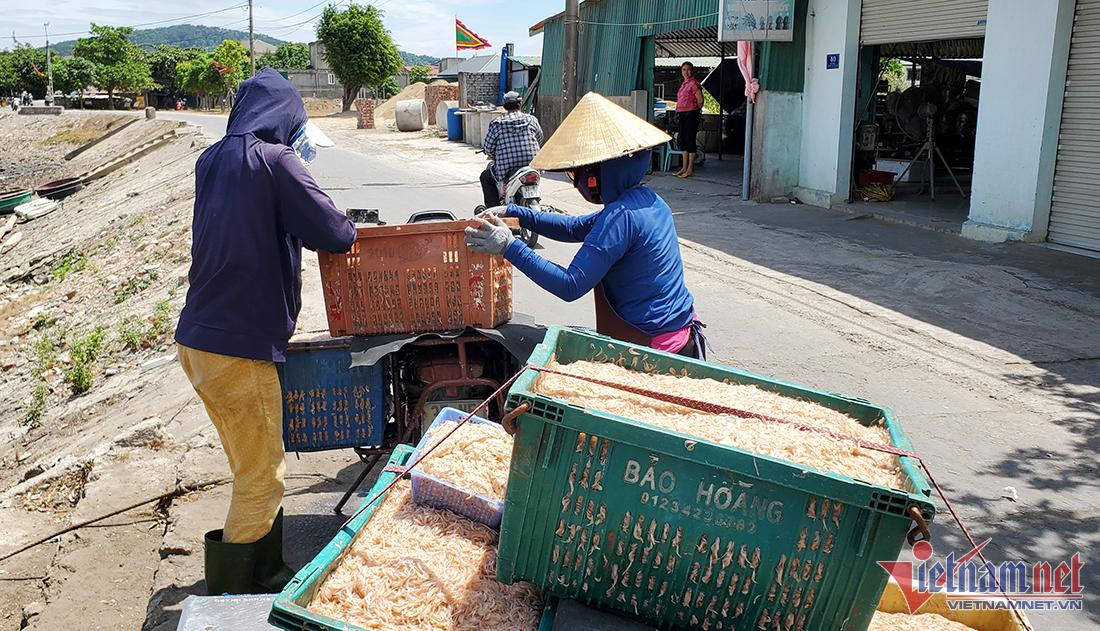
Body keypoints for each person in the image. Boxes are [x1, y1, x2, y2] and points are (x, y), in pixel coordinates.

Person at [174, 68, 356, 596]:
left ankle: (267, 566)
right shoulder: (276, 161)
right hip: (239, 345)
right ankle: (235, 592)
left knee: (249, 465)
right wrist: (298, 170)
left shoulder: (209, 160)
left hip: (197, 339)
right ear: (286, 118)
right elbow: (336, 233)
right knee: (263, 476)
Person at [466, 92, 707, 359]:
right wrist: (515, 212)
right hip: (680, 333)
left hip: (653, 347)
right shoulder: (647, 201)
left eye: (578, 173)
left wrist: (509, 246)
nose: (576, 180)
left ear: (598, 172)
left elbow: (571, 285)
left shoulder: (621, 217)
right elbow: (573, 228)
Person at [480, 90, 543, 208]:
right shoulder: (531, 120)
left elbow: (488, 147)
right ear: (520, 104)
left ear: (505, 106)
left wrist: (494, 154)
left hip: (507, 170)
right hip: (533, 166)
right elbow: (539, 138)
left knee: (485, 177)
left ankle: (494, 212)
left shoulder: (497, 123)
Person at [675, 61, 705, 179]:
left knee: (690, 140)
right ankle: (684, 168)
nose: (686, 72)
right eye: (684, 70)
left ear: (692, 71)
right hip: (682, 114)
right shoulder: (684, 84)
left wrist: (695, 111)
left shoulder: (694, 84)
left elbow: (700, 100)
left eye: (688, 70)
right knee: (683, 140)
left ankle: (690, 169)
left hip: (690, 114)